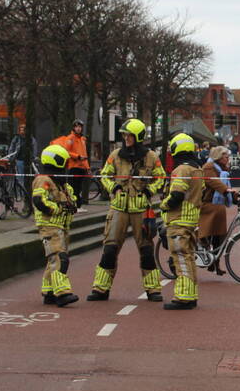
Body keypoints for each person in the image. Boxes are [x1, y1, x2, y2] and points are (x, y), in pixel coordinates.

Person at [87, 118, 166, 302]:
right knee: (110, 248)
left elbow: (161, 177)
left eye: (128, 135)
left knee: (146, 250)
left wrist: (149, 190)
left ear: (137, 136)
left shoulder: (151, 157)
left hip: (141, 210)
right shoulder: (115, 155)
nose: (125, 138)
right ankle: (101, 288)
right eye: (124, 135)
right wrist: (112, 188)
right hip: (118, 209)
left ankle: (153, 290)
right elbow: (105, 174)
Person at [159, 133, 205, 310]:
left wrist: (164, 205)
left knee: (180, 258)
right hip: (192, 220)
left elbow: (177, 195)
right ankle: (191, 294)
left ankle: (183, 297)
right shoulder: (197, 169)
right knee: (189, 258)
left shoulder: (181, 170)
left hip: (178, 220)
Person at [32, 144, 79, 307]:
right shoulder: (43, 180)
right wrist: (58, 208)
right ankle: (62, 294)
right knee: (60, 259)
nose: (66, 166)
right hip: (49, 225)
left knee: (53, 260)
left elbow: (70, 200)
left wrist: (71, 204)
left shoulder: (60, 183)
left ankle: (49, 292)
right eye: (64, 162)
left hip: (61, 227)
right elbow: (39, 201)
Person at [198, 145, 240, 275]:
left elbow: (227, 186)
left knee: (220, 235)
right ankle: (202, 242)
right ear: (218, 156)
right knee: (218, 215)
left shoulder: (223, 169)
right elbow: (214, 182)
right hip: (207, 204)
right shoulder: (209, 167)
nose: (228, 158)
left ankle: (215, 262)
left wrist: (236, 197)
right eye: (225, 156)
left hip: (216, 205)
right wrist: (226, 190)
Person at [53, 120, 90, 211]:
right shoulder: (70, 138)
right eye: (76, 126)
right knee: (73, 188)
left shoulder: (82, 139)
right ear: (73, 127)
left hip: (81, 167)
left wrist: (87, 167)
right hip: (73, 166)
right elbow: (66, 151)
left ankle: (78, 205)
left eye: (80, 127)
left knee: (79, 188)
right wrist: (77, 157)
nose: (78, 128)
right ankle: (75, 206)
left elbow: (84, 154)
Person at [7, 125, 38, 189]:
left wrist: (34, 157)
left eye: (23, 129)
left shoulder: (30, 138)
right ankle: (21, 193)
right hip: (19, 160)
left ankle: (27, 191)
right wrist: (11, 157)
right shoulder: (16, 138)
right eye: (20, 129)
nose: (21, 131)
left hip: (28, 161)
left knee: (29, 177)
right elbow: (12, 148)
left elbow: (34, 148)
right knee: (20, 178)